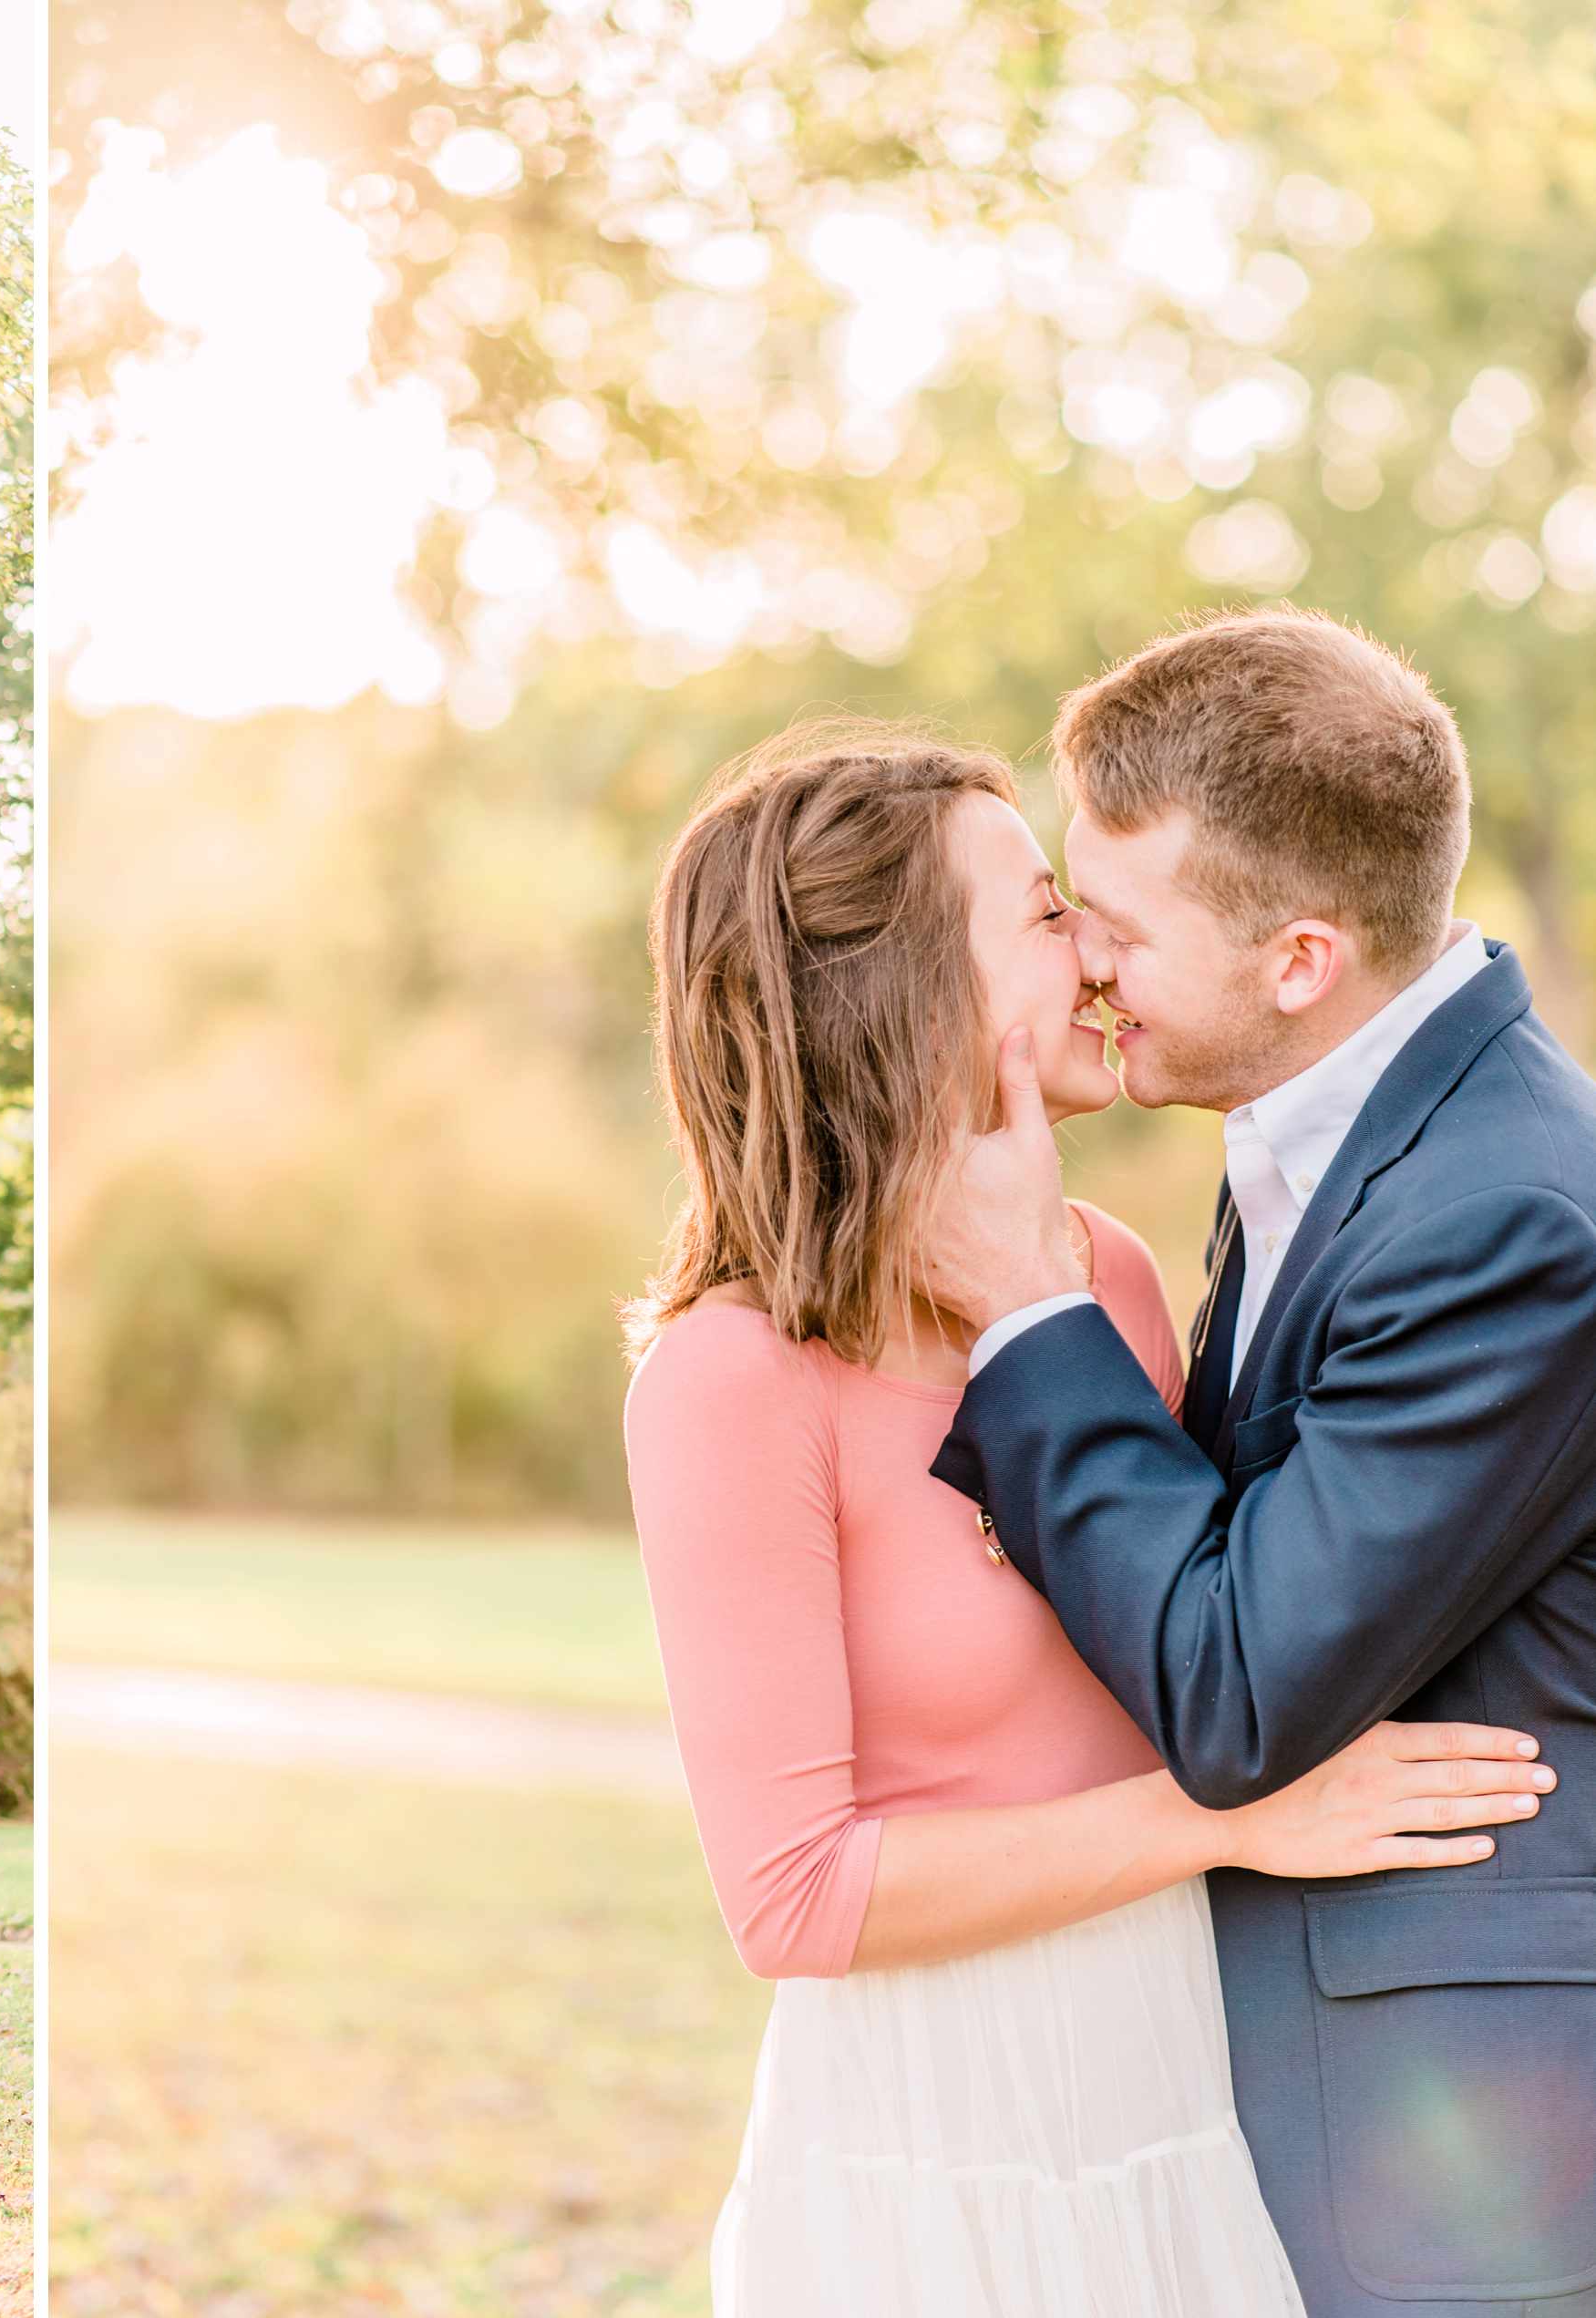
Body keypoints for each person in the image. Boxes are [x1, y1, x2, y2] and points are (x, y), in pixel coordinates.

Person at [620, 719, 1551, 2313]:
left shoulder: (1111, 1279)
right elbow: (792, 1893)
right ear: (904, 987)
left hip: (1184, 2080)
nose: (1097, 953)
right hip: (929, 2130)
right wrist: (1228, 1820)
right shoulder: (733, 1376)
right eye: (1049, 911)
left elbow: (1215, 1620)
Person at [913, 609, 1596, 2316]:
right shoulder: (1340, 1122)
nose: (1079, 965)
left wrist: (1023, 1317)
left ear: (1299, 959)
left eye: (1116, 931)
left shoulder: (1503, 1211)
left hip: (1454, 2154)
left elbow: (1235, 1680)